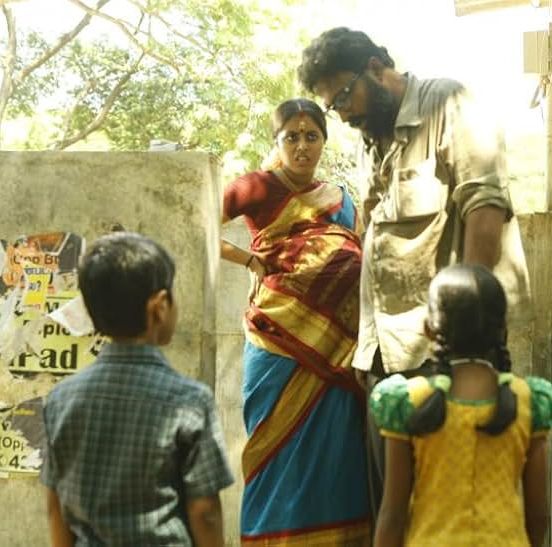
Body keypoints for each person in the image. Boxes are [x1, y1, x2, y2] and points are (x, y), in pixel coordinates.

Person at [298, 26, 519, 519]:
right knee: (394, 511)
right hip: (386, 361)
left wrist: (466, 343)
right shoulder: (368, 141)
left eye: (344, 96)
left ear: (376, 67)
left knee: (449, 512)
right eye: (333, 106)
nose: (343, 112)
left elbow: (485, 209)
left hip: (444, 357)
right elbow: (378, 243)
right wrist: (368, 349)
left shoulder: (449, 105)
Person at [219, 98, 370, 545]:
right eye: (292, 137)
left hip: (338, 352)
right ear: (277, 142)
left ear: (324, 141)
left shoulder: (342, 201)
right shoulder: (256, 188)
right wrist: (248, 260)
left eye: (312, 136)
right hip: (276, 342)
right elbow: (197, 222)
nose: (302, 146)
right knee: (275, 446)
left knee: (336, 449)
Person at [40, 232, 233, 547]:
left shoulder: (62, 398)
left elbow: (55, 505)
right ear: (159, 307)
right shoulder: (191, 400)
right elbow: (205, 510)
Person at [368, 264, 552, 546]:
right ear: (502, 330)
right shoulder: (528, 401)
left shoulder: (408, 402)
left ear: (430, 330)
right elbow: (538, 515)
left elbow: (392, 516)